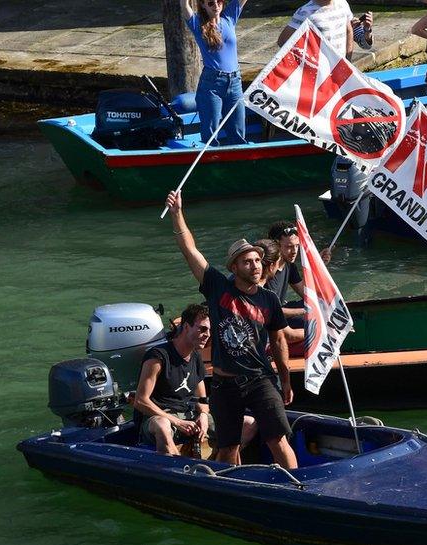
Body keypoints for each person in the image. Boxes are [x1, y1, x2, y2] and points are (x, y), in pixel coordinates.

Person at [165, 190, 298, 469]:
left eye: (259, 261)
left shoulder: (269, 299)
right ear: (234, 267)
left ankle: (302, 491)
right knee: (227, 448)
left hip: (261, 380)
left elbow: (278, 341)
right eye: (248, 262)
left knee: (278, 440)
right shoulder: (217, 287)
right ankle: (230, 487)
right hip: (225, 386)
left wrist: (285, 380)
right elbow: (190, 251)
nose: (256, 266)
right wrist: (177, 214)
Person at [134, 304, 215, 456]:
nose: (208, 335)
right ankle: (179, 473)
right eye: (202, 329)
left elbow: (202, 398)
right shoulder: (158, 357)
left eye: (210, 330)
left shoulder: (196, 356)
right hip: (159, 416)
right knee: (163, 426)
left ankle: (216, 467)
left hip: (188, 414)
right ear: (186, 326)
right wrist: (176, 421)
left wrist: (203, 415)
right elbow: (140, 400)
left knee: (247, 424)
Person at [180, 0, 249, 146]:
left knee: (238, 132)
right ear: (203, 5)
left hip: (235, 82)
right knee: (210, 135)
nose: (216, 6)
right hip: (212, 84)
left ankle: (237, 162)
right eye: (211, 3)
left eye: (219, 2)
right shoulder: (197, 24)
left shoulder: (229, 17)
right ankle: (211, 162)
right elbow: (184, 6)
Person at [279, 0, 354, 59]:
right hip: (320, 73)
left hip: (341, 68)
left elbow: (349, 31)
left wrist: (348, 59)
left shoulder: (343, 4)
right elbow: (283, 41)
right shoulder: (304, 12)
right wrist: (308, 61)